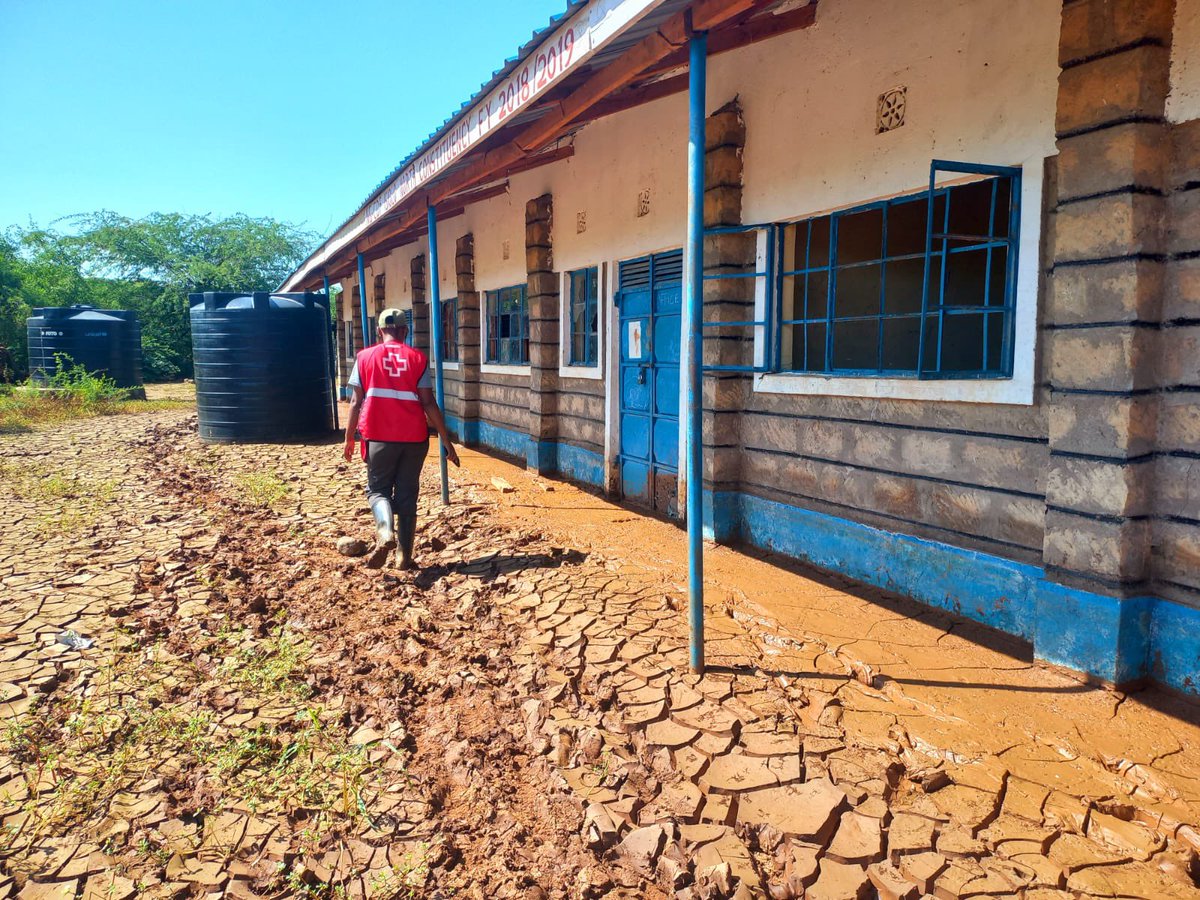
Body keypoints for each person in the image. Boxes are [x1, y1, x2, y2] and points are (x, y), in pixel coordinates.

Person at [343, 307, 460, 569]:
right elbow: (429, 403)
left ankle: (385, 531)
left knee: (377, 490)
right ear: (405, 331)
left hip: (379, 437)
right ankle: (404, 557)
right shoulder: (417, 358)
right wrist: (446, 440)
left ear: (379, 331)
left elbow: (354, 402)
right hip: (414, 438)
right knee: (407, 495)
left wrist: (349, 437)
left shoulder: (364, 358)